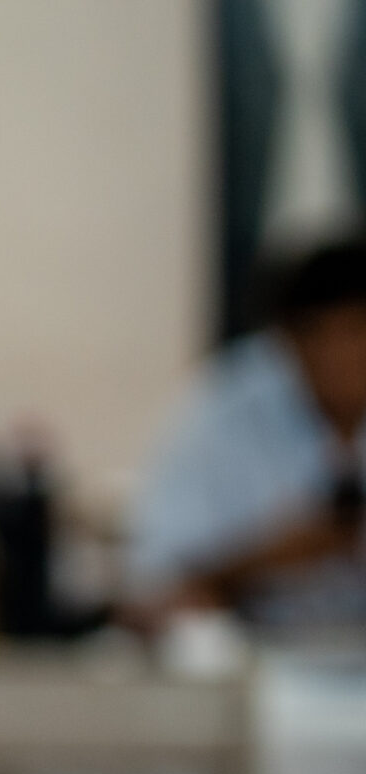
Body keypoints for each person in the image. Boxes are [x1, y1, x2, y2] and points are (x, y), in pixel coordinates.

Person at [133, 234, 366, 623]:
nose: (342, 355)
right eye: (322, 334)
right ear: (286, 339)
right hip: (251, 649)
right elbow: (153, 585)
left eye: (357, 331)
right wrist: (270, 557)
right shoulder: (222, 409)